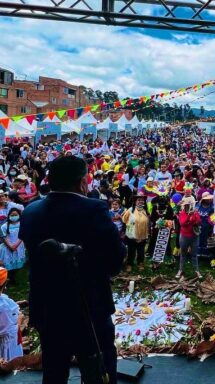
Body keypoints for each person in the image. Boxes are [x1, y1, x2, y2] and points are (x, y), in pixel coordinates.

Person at [19, 155, 126, 384]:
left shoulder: (30, 211)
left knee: (54, 370)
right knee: (99, 372)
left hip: (47, 307)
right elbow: (115, 259)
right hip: (88, 307)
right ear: (83, 182)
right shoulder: (94, 209)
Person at [176, 197, 202, 280]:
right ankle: (180, 270)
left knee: (194, 254)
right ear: (185, 206)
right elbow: (182, 223)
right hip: (184, 236)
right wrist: (189, 217)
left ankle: (196, 270)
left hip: (194, 236)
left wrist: (193, 218)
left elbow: (198, 221)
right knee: (183, 254)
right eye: (188, 205)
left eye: (191, 204)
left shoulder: (195, 212)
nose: (190, 206)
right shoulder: (182, 213)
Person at [0, 267, 23, 361]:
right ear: (5, 284)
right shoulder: (5, 307)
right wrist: (20, 319)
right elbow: (10, 332)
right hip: (6, 348)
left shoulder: (5, 304)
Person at [122, 194, 149, 272]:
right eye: (138, 200)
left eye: (142, 200)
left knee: (141, 251)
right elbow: (124, 220)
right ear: (135, 202)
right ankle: (129, 264)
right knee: (131, 251)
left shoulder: (145, 210)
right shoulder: (130, 210)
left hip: (143, 235)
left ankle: (140, 263)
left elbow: (148, 221)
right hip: (132, 235)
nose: (140, 201)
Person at [0, 208, 25, 283]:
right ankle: (9, 277)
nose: (14, 216)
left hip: (19, 246)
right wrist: (10, 246)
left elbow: (23, 235)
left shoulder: (22, 224)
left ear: (19, 215)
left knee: (17, 262)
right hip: (8, 247)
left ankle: (12, 276)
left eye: (16, 215)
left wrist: (16, 245)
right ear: (9, 216)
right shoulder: (4, 226)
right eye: (12, 215)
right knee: (8, 262)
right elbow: (3, 237)